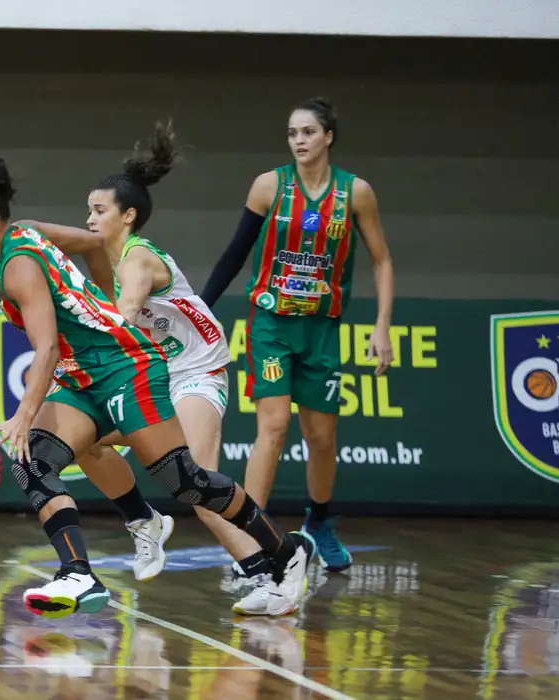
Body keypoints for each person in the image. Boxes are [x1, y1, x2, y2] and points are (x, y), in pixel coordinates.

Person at [0, 156, 314, 619]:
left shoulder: (19, 264)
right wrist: (99, 298)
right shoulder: (29, 231)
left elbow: (46, 351)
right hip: (86, 373)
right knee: (33, 463)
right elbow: (94, 243)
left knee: (186, 480)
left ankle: (283, 555)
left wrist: (24, 412)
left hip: (125, 364)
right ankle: (81, 569)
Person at [17, 117, 264, 595]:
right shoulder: (102, 261)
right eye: (86, 211)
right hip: (155, 372)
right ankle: (143, 520)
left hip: (196, 370)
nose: (89, 219)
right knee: (86, 443)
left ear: (126, 216)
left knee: (195, 485)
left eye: (98, 210)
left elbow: (123, 314)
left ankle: (268, 568)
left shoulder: (137, 258)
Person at [198, 97, 395, 607]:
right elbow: (235, 253)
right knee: (273, 426)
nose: (299, 140)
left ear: (329, 136)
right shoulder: (269, 186)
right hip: (270, 324)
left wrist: (382, 326)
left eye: (308, 131)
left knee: (322, 437)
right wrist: (198, 309)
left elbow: (381, 260)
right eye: (292, 133)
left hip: (323, 329)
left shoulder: (356, 193)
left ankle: (319, 521)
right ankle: (254, 546)